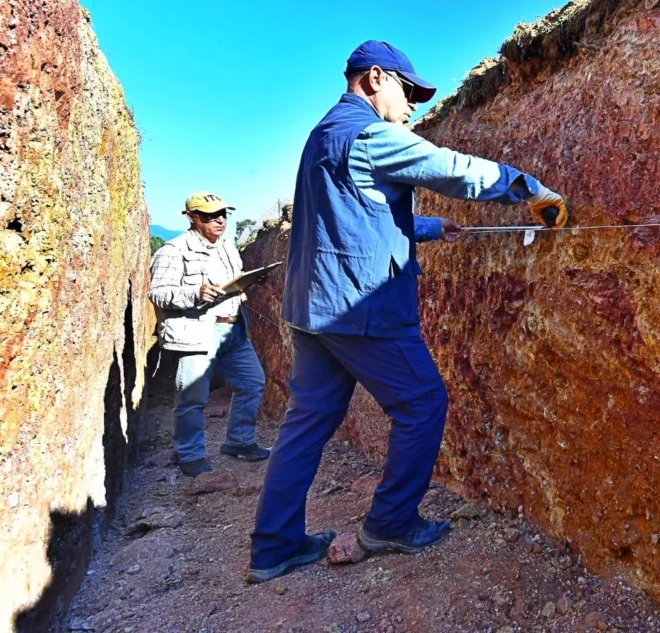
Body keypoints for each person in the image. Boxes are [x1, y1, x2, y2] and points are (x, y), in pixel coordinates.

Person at [247, 40, 568, 583]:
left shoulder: (323, 135)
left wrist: (430, 228)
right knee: (423, 404)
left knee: (306, 423)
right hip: (357, 308)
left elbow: (350, 216)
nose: (415, 104)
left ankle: (273, 548)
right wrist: (529, 189)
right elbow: (452, 170)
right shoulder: (372, 134)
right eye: (409, 90)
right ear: (375, 78)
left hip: (311, 309)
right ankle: (391, 523)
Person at [149, 192, 271, 477]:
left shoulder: (227, 247)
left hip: (234, 330)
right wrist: (196, 292)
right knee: (192, 398)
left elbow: (232, 285)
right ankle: (188, 454)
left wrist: (251, 281)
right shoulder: (173, 250)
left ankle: (239, 442)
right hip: (197, 333)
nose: (219, 220)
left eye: (223, 214)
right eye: (209, 215)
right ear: (191, 217)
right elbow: (157, 293)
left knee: (252, 383)